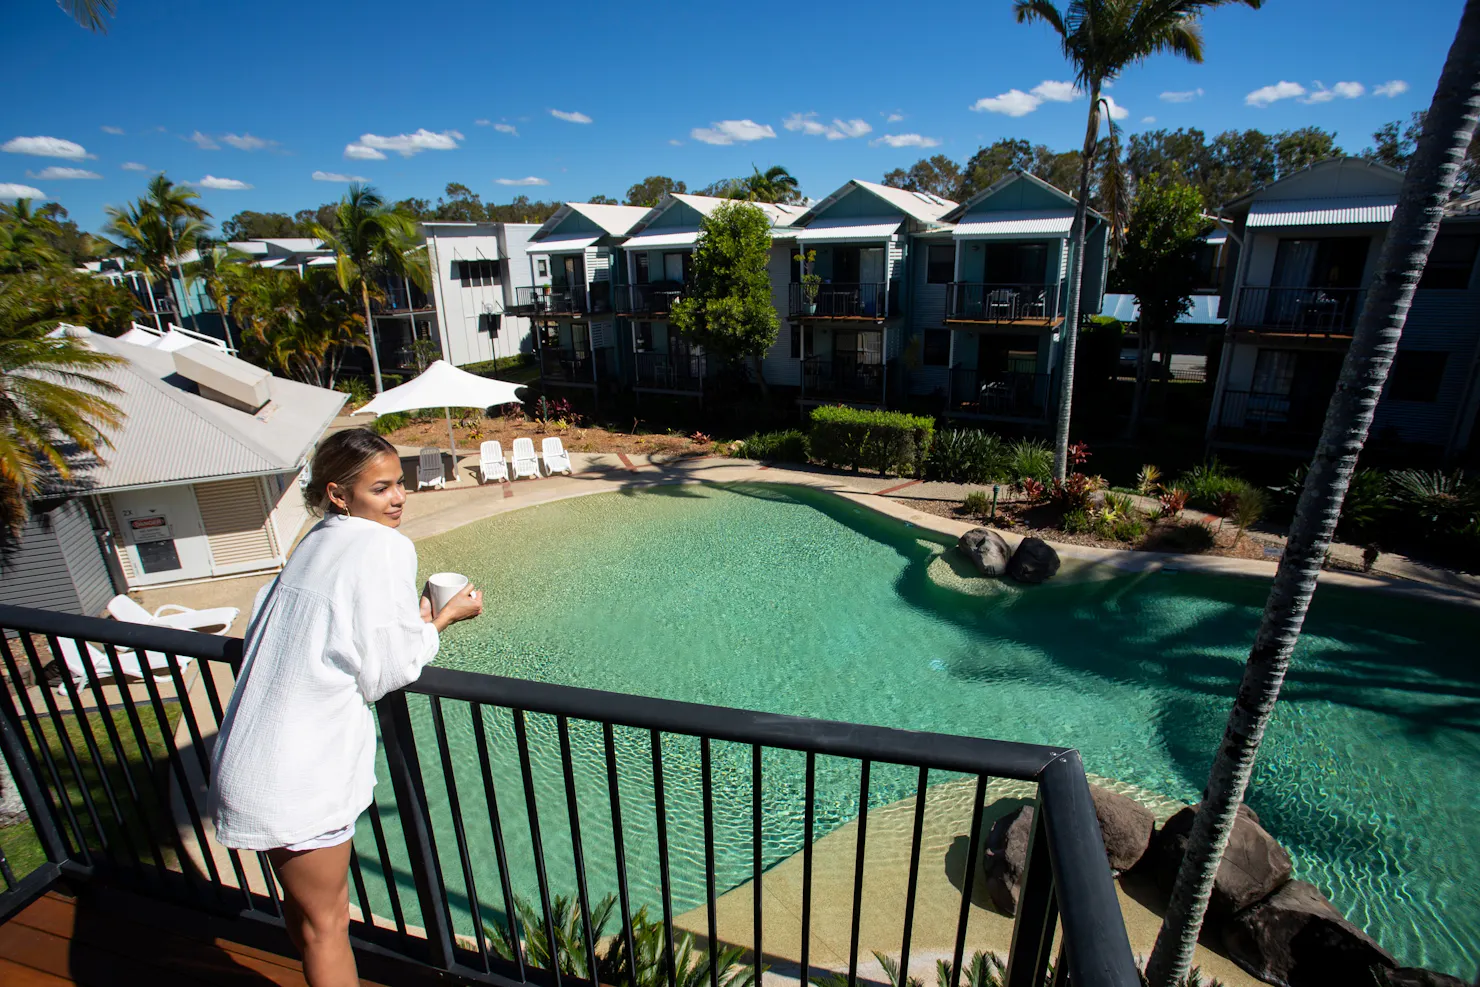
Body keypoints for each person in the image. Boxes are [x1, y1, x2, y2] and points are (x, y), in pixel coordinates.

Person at [209, 428, 482, 986]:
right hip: (298, 774)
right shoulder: (384, 547)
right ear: (338, 494)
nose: (398, 498)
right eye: (381, 488)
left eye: (399, 484)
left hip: (253, 756)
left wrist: (414, 621)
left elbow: (334, 629)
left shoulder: (315, 540)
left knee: (307, 916)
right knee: (327, 925)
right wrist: (444, 620)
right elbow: (386, 671)